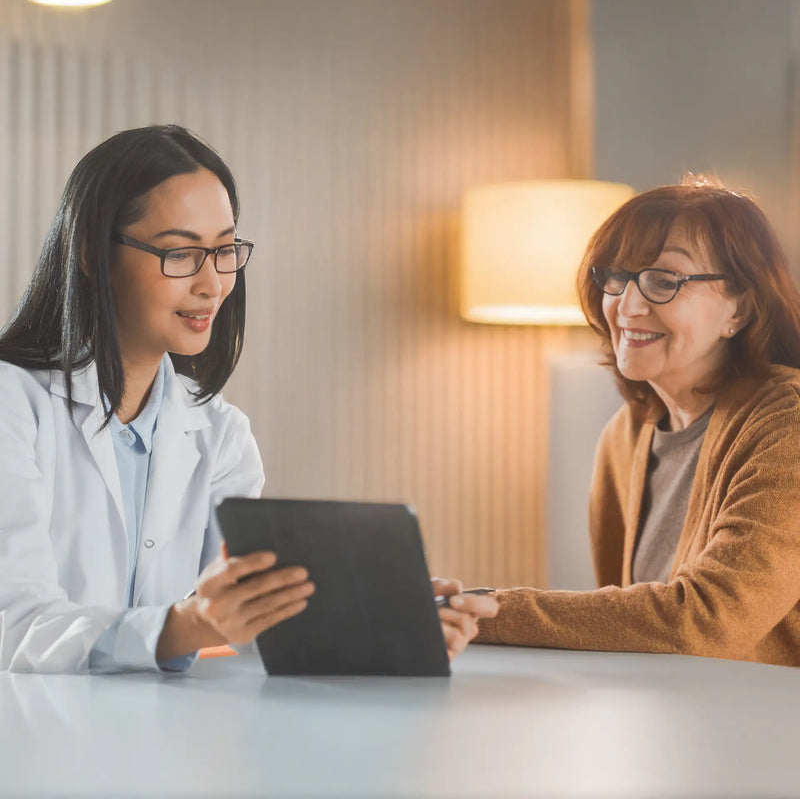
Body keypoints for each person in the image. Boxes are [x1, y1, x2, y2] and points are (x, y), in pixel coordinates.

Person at [0, 124, 497, 673]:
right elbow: (16, 626)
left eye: (224, 250)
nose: (213, 284)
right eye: (181, 253)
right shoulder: (13, 405)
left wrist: (384, 616)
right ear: (92, 254)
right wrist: (186, 626)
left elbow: (246, 620)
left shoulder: (222, 435)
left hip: (159, 745)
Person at [476, 177, 800, 667]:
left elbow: (708, 620)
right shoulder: (625, 435)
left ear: (741, 306)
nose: (626, 305)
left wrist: (486, 611)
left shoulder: (788, 426)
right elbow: (631, 631)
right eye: (617, 277)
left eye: (664, 281)